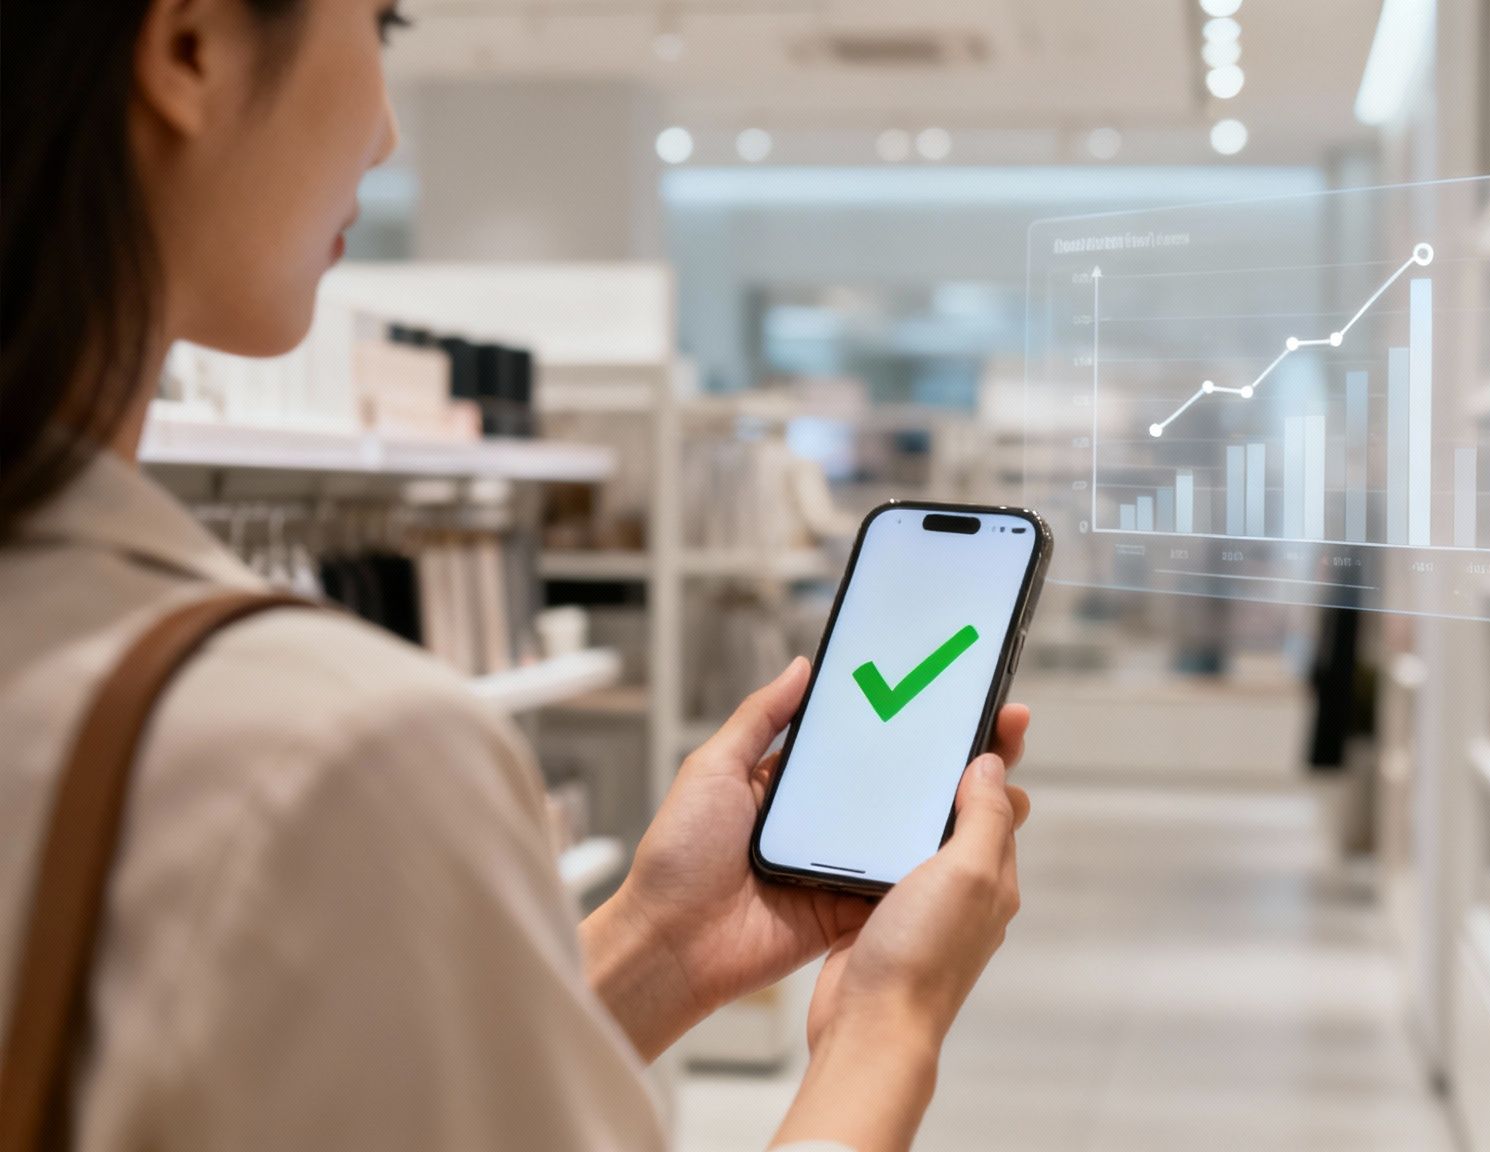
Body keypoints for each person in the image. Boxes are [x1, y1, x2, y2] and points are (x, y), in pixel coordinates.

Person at [0, 2, 1029, 1149]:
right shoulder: (318, 747)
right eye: (379, 28)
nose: (385, 134)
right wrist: (889, 1024)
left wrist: (662, 942)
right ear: (191, 47)